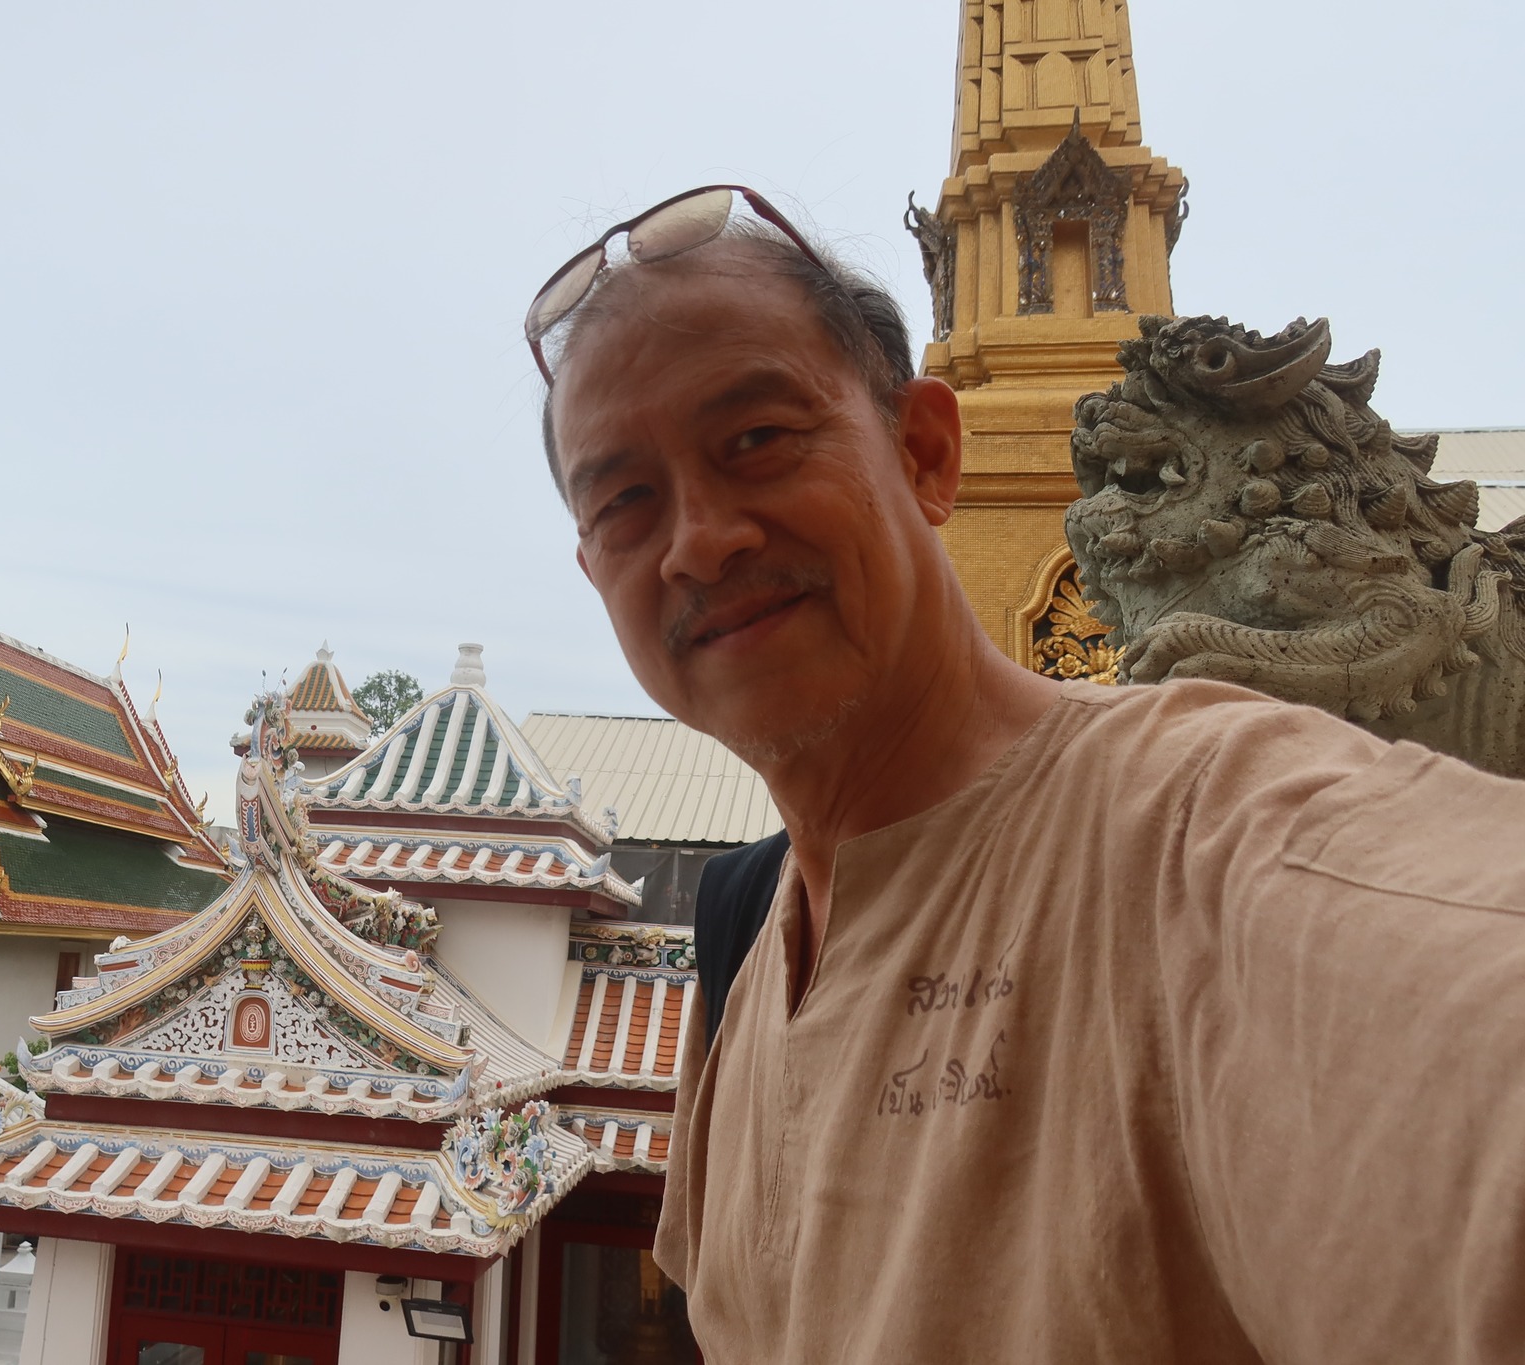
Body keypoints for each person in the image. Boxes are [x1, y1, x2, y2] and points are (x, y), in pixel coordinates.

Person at [526, 185, 1525, 1364]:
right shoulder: (749, 945)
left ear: (924, 454)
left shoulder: (1193, 838)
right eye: (624, 501)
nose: (699, 540)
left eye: (757, 440)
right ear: (591, 569)